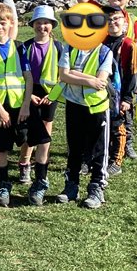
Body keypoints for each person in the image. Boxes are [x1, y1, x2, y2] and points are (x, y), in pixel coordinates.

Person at [74, 0, 137, 160]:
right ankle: (99, 145)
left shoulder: (133, 19)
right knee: (101, 105)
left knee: (124, 107)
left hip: (124, 67)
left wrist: (127, 47)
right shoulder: (100, 10)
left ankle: (126, 144)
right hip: (100, 67)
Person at [49, 15, 114, 209]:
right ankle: (71, 185)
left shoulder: (105, 52)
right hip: (74, 104)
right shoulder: (69, 48)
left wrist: (74, 74)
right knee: (74, 147)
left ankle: (96, 187)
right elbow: (63, 75)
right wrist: (88, 79)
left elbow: (100, 81)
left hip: (97, 107)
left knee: (99, 149)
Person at [0, 4, 33, 207]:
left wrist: (26, 104)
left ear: (11, 23)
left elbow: (28, 78)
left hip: (19, 104)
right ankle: (3, 183)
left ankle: (24, 164)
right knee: (0, 146)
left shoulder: (19, 47)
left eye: (3, 23)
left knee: (27, 138)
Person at [18, 5, 65, 206]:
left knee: (46, 130)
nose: (42, 26)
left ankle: (40, 169)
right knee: (30, 131)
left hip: (50, 95)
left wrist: (52, 96)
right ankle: (24, 163)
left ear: (52, 25)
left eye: (46, 23)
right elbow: (20, 75)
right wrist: (28, 96)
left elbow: (63, 76)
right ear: (33, 25)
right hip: (31, 92)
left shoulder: (59, 47)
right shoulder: (25, 47)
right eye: (38, 23)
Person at [101, 5, 137, 176]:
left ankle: (117, 161)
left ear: (125, 23)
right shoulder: (101, 43)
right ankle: (100, 156)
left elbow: (133, 73)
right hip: (103, 92)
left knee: (119, 127)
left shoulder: (129, 45)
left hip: (121, 93)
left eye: (116, 19)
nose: (112, 22)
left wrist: (127, 99)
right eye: (108, 20)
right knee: (104, 125)